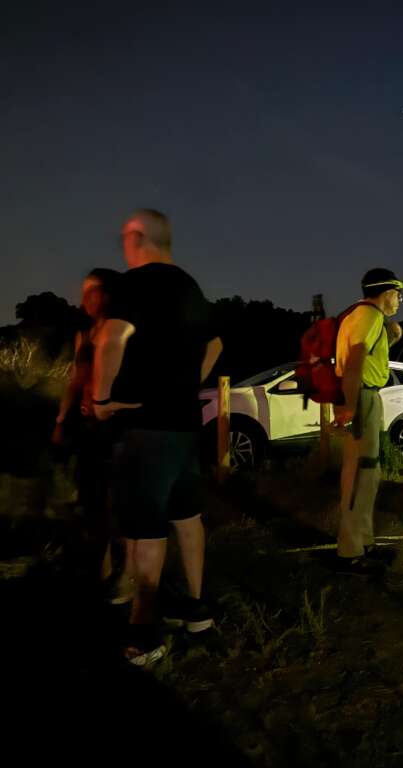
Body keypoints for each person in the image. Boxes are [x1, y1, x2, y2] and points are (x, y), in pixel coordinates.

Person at [93, 209, 223, 665]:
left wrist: (101, 398)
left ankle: (144, 633)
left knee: (145, 530)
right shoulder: (190, 287)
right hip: (185, 423)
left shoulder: (134, 285)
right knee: (187, 517)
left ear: (138, 238)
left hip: (146, 426)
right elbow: (215, 345)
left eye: (125, 238)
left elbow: (111, 340)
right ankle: (197, 610)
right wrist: (184, 385)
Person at [52, 268, 130, 601]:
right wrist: (61, 419)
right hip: (88, 430)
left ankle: (129, 574)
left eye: (92, 290)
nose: (86, 298)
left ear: (108, 294)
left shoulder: (121, 330)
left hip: (117, 426)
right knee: (93, 502)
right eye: (83, 291)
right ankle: (103, 572)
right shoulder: (84, 335)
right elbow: (75, 379)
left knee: (119, 502)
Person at [329, 268, 403, 575]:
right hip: (362, 398)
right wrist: (349, 407)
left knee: (368, 473)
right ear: (386, 293)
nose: (399, 301)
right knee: (361, 474)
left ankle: (364, 541)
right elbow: (356, 359)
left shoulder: (358, 317)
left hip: (362, 396)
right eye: (398, 295)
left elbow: (365, 355)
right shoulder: (370, 316)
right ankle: (350, 551)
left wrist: (391, 337)